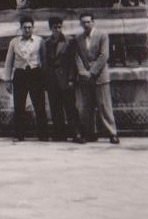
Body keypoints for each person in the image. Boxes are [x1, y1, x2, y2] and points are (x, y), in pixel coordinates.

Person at [75, 13, 120, 144]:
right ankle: (90, 133)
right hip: (85, 78)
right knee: (87, 107)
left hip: (100, 76)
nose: (86, 24)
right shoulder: (78, 38)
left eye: (88, 22)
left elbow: (104, 55)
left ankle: (112, 133)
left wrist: (92, 71)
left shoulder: (102, 35)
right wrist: (82, 71)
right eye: (83, 22)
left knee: (104, 106)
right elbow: (77, 56)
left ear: (93, 22)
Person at [3, 15, 48, 141]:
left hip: (35, 74)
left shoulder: (39, 41)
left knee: (39, 105)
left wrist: (44, 79)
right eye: (25, 27)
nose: (27, 30)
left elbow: (44, 61)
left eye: (29, 27)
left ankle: (43, 134)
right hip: (20, 75)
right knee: (19, 106)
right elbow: (9, 62)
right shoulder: (14, 42)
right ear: (21, 28)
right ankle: (19, 135)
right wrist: (7, 80)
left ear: (33, 28)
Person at [41, 16, 84, 143]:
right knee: (55, 107)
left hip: (65, 79)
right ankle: (59, 134)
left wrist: (71, 79)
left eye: (60, 27)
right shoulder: (46, 43)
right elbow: (45, 63)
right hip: (52, 80)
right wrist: (46, 81)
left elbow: (72, 62)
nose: (58, 29)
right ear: (50, 28)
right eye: (55, 27)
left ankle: (76, 133)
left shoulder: (69, 41)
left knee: (70, 108)